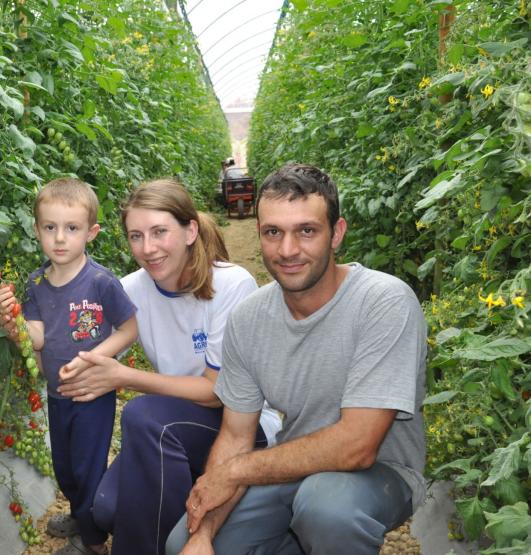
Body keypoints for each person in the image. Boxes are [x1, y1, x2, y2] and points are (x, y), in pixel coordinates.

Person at [166, 163, 427, 555]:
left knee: (326, 510)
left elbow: (357, 446)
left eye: (307, 231)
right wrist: (203, 533)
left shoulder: (384, 302)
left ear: (336, 234)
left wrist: (234, 472)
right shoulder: (249, 319)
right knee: (182, 544)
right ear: (259, 235)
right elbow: (237, 437)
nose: (287, 250)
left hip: (380, 474)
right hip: (295, 468)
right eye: (273, 232)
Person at [24, 178, 282, 555]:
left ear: (190, 230)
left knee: (144, 414)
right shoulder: (130, 289)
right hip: (168, 432)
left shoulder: (231, 284)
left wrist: (124, 377)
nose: (148, 248)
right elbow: (70, 329)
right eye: (136, 236)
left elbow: (216, 393)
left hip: (240, 427)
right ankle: (189, 488)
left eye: (160, 232)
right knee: (106, 508)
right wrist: (23, 329)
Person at [0, 178, 138, 555]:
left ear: (91, 233)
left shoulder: (101, 283)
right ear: (37, 229)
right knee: (66, 469)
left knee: (88, 471)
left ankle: (92, 544)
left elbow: (129, 329)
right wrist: (12, 323)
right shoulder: (36, 283)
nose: (60, 238)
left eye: (71, 229)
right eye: (50, 228)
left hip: (92, 394)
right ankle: (80, 514)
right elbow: (35, 337)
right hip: (57, 394)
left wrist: (97, 357)